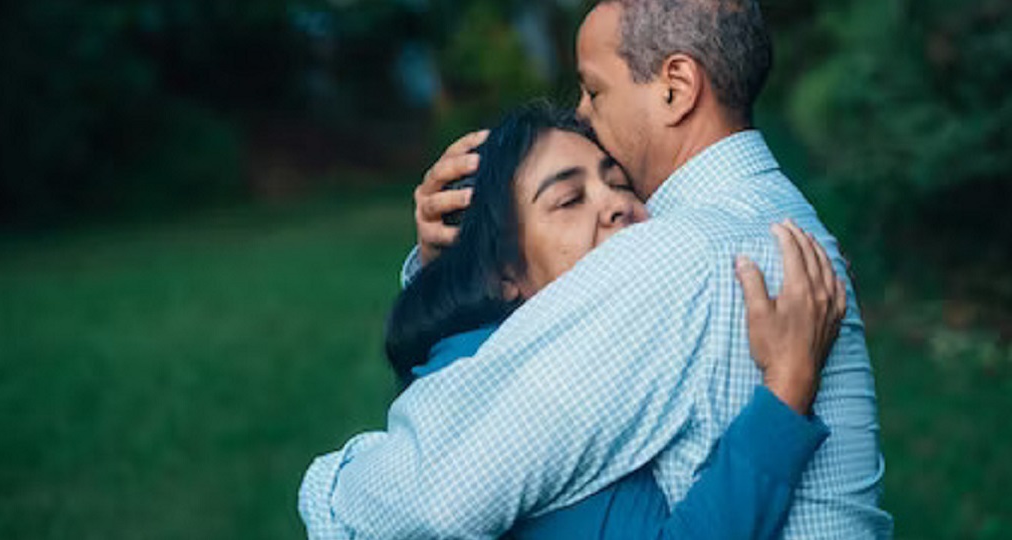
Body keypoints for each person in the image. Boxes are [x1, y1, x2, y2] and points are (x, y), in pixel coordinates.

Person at [302, 1, 890, 537]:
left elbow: (433, 496)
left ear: (676, 88)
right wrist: (450, 263)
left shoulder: (674, 255)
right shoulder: (776, 219)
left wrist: (330, 486)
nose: (582, 114)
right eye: (568, 197)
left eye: (594, 90)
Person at [374, 103, 843, 539]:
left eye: (619, 183)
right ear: (502, 273)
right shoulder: (547, 399)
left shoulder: (483, 351)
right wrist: (788, 387)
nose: (618, 204)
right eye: (569, 199)